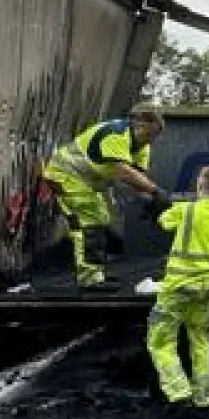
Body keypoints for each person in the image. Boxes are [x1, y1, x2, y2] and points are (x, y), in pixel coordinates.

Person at [41, 103, 170, 291]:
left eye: (155, 137)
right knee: (90, 222)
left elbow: (137, 179)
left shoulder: (141, 146)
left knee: (99, 219)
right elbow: (123, 172)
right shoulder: (116, 134)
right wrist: (157, 193)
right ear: (139, 125)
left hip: (83, 181)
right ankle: (90, 279)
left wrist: (150, 202)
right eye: (149, 135)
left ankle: (94, 274)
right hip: (66, 174)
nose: (151, 141)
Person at [145, 163, 209, 408]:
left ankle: (178, 390)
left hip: (178, 286)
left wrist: (157, 204)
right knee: (200, 338)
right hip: (207, 288)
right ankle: (202, 397)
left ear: (199, 185)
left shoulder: (186, 210)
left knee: (160, 341)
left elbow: (163, 222)